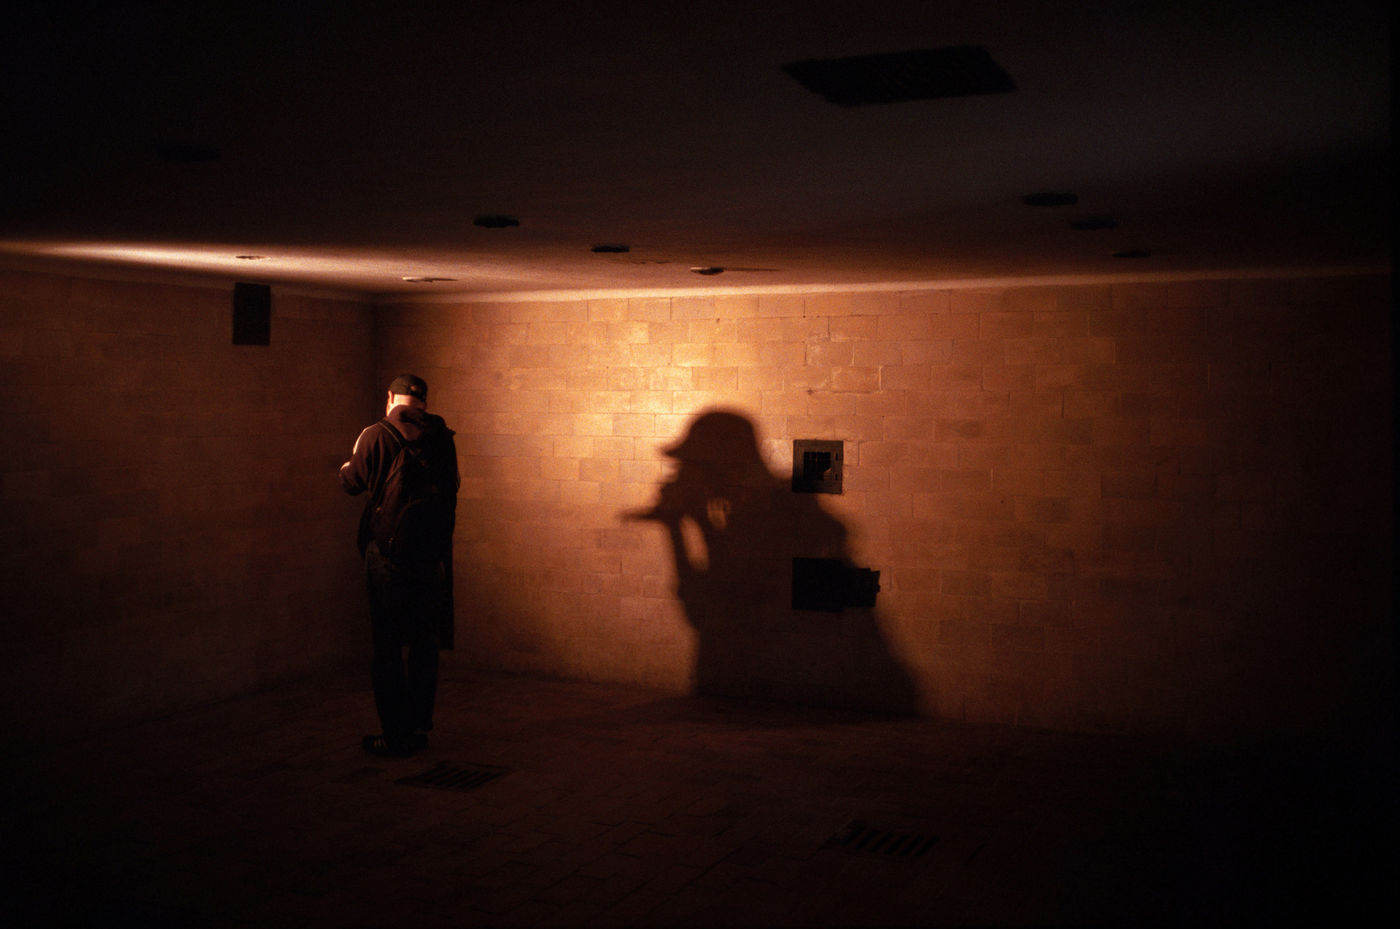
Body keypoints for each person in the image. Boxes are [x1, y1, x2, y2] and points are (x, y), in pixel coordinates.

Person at [338, 374, 459, 757]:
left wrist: (349, 465)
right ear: (424, 402)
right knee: (424, 644)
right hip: (430, 556)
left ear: (390, 397)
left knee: (387, 646)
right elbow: (452, 487)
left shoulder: (375, 435)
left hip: (387, 557)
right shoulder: (441, 437)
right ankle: (418, 726)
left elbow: (351, 483)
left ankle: (394, 735)